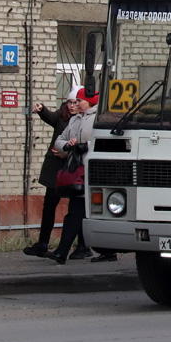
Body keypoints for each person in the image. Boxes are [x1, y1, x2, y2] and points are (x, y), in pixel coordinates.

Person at [46, 87, 117, 264]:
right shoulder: (75, 119)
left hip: (97, 173)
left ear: (90, 102)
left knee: (98, 213)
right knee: (75, 212)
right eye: (75, 100)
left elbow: (110, 141)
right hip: (79, 173)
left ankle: (108, 251)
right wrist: (68, 145)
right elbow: (59, 140)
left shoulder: (101, 118)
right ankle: (62, 252)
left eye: (79, 100)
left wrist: (87, 146)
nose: (75, 103)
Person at [22, 87, 91, 260]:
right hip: (57, 171)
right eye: (69, 102)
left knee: (78, 207)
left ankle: (83, 246)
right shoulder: (63, 118)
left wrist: (67, 151)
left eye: (76, 102)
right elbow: (51, 118)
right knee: (50, 205)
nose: (72, 106)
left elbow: (86, 144)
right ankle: (43, 243)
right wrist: (41, 109)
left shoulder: (85, 120)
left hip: (75, 171)